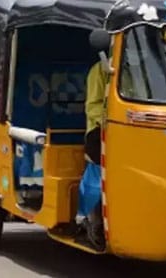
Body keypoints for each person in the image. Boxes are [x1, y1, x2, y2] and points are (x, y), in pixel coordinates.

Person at [78, 59, 107, 250]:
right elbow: (93, 105)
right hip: (99, 132)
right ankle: (90, 220)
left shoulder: (136, 67)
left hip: (125, 132)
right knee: (96, 178)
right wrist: (108, 122)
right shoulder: (99, 69)